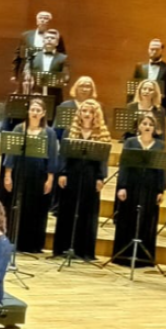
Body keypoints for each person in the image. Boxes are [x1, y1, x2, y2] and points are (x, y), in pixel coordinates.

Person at [53, 99, 111, 261]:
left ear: (95, 115)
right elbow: (63, 155)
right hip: (72, 174)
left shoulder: (102, 134)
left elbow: (103, 159)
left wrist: (101, 177)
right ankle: (63, 247)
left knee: (88, 211)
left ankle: (83, 250)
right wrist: (62, 173)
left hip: (91, 176)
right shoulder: (69, 131)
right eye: (84, 111)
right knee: (67, 210)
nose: (87, 114)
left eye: (90, 112)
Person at [2, 98, 59, 254]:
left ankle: (32, 244)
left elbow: (52, 156)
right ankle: (15, 241)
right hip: (20, 172)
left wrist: (50, 178)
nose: (34, 113)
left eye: (38, 110)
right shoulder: (19, 129)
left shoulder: (49, 133)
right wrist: (8, 174)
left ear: (43, 114)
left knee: (36, 208)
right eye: (32, 110)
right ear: (28, 112)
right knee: (18, 206)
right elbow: (11, 154)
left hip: (39, 173)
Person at [112, 113, 166, 268]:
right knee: (128, 217)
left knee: (147, 220)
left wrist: (160, 190)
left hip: (150, 188)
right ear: (139, 126)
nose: (147, 126)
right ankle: (123, 255)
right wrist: (122, 186)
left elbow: (161, 170)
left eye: (150, 124)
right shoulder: (130, 142)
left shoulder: (160, 145)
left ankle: (144, 257)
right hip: (131, 185)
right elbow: (124, 166)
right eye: (144, 123)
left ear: (155, 128)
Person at [133, 38, 166, 115]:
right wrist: (131, 109)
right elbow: (133, 91)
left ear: (161, 50)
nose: (154, 52)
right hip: (139, 109)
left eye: (157, 49)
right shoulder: (140, 67)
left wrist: (165, 115)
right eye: (152, 49)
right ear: (148, 50)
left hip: (158, 111)